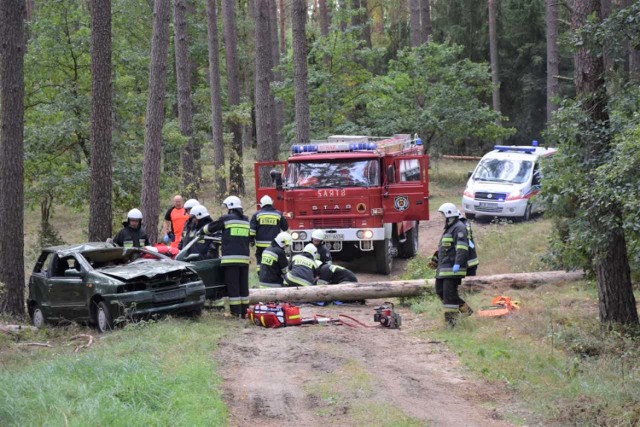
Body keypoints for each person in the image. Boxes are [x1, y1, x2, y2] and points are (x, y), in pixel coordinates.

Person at [200, 196, 250, 318]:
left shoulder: (226, 219)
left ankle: (235, 312)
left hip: (230, 259)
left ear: (230, 207)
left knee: (233, 287)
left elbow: (211, 228)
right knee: (243, 286)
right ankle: (245, 312)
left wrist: (201, 231)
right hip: (244, 259)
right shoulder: (246, 220)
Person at [434, 202, 473, 327]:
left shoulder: (459, 227)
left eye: (443, 215)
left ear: (448, 214)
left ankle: (451, 323)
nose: (442, 218)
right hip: (444, 268)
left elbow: (462, 248)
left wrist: (458, 263)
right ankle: (467, 311)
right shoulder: (450, 228)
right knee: (440, 291)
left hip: (452, 269)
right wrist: (435, 260)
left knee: (449, 296)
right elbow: (445, 248)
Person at [250, 195, 289, 273]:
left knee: (260, 260)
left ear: (262, 204)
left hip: (261, 245)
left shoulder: (257, 215)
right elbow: (285, 228)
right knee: (275, 260)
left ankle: (260, 275)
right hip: (274, 245)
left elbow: (252, 231)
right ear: (271, 203)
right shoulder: (278, 214)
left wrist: (251, 241)